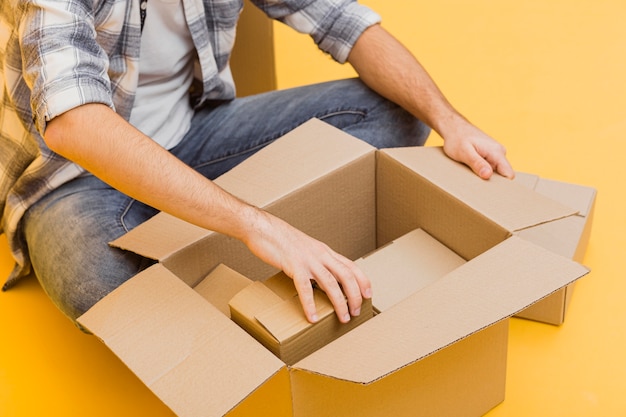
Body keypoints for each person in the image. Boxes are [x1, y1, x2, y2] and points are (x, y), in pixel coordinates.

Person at [0, 0, 514, 330]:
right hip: (73, 177)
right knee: (105, 290)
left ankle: (199, 224)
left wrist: (452, 122)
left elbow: (341, 20)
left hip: (196, 134)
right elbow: (73, 122)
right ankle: (229, 228)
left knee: (396, 114)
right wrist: (255, 223)